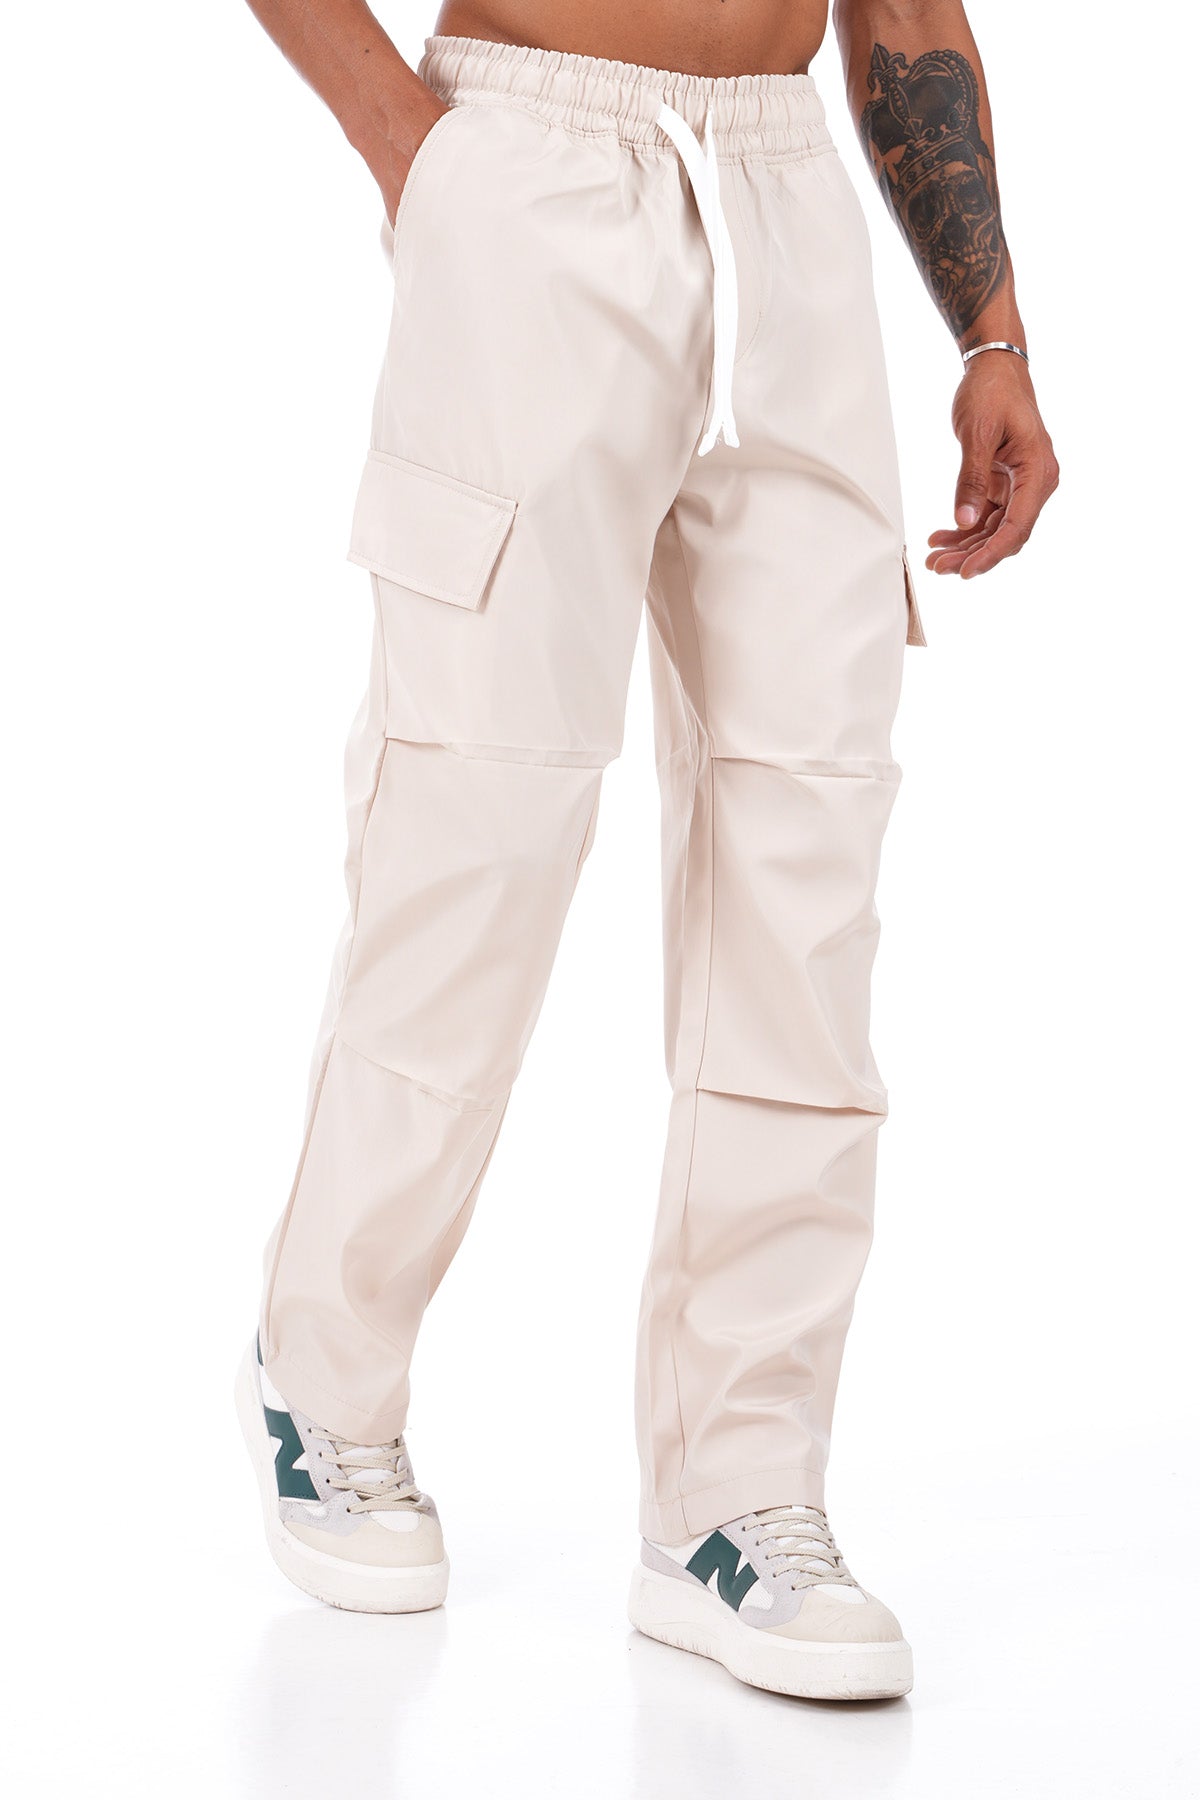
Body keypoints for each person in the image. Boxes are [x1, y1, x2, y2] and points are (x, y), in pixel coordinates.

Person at [235, 0, 1057, 1699]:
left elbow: (904, 9)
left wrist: (992, 336)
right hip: (527, 172)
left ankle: (735, 1496)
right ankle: (326, 1373)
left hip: (789, 210)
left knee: (806, 855)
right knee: (480, 828)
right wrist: (408, 148)